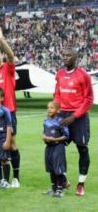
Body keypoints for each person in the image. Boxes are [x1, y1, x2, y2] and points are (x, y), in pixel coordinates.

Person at [54, 49, 94, 196]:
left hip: (79, 117)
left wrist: (74, 116)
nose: (66, 57)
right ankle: (62, 180)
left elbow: (89, 99)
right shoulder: (60, 73)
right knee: (56, 145)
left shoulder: (83, 75)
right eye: (64, 55)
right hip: (63, 115)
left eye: (69, 55)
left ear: (76, 58)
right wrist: (56, 109)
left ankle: (81, 184)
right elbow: (57, 93)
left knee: (82, 148)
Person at [0, 25, 21, 188]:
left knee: (11, 144)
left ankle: (16, 178)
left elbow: (12, 55)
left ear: (2, 56)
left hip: (9, 112)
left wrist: (1, 40)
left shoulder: (8, 68)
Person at [43, 100, 70, 198]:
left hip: (58, 147)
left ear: (58, 110)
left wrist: (55, 139)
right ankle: (53, 188)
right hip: (48, 147)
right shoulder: (46, 121)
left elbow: (66, 136)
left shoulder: (61, 121)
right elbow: (44, 132)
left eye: (51, 108)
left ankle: (59, 189)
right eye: (48, 108)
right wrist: (44, 137)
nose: (49, 109)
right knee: (51, 168)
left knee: (58, 168)